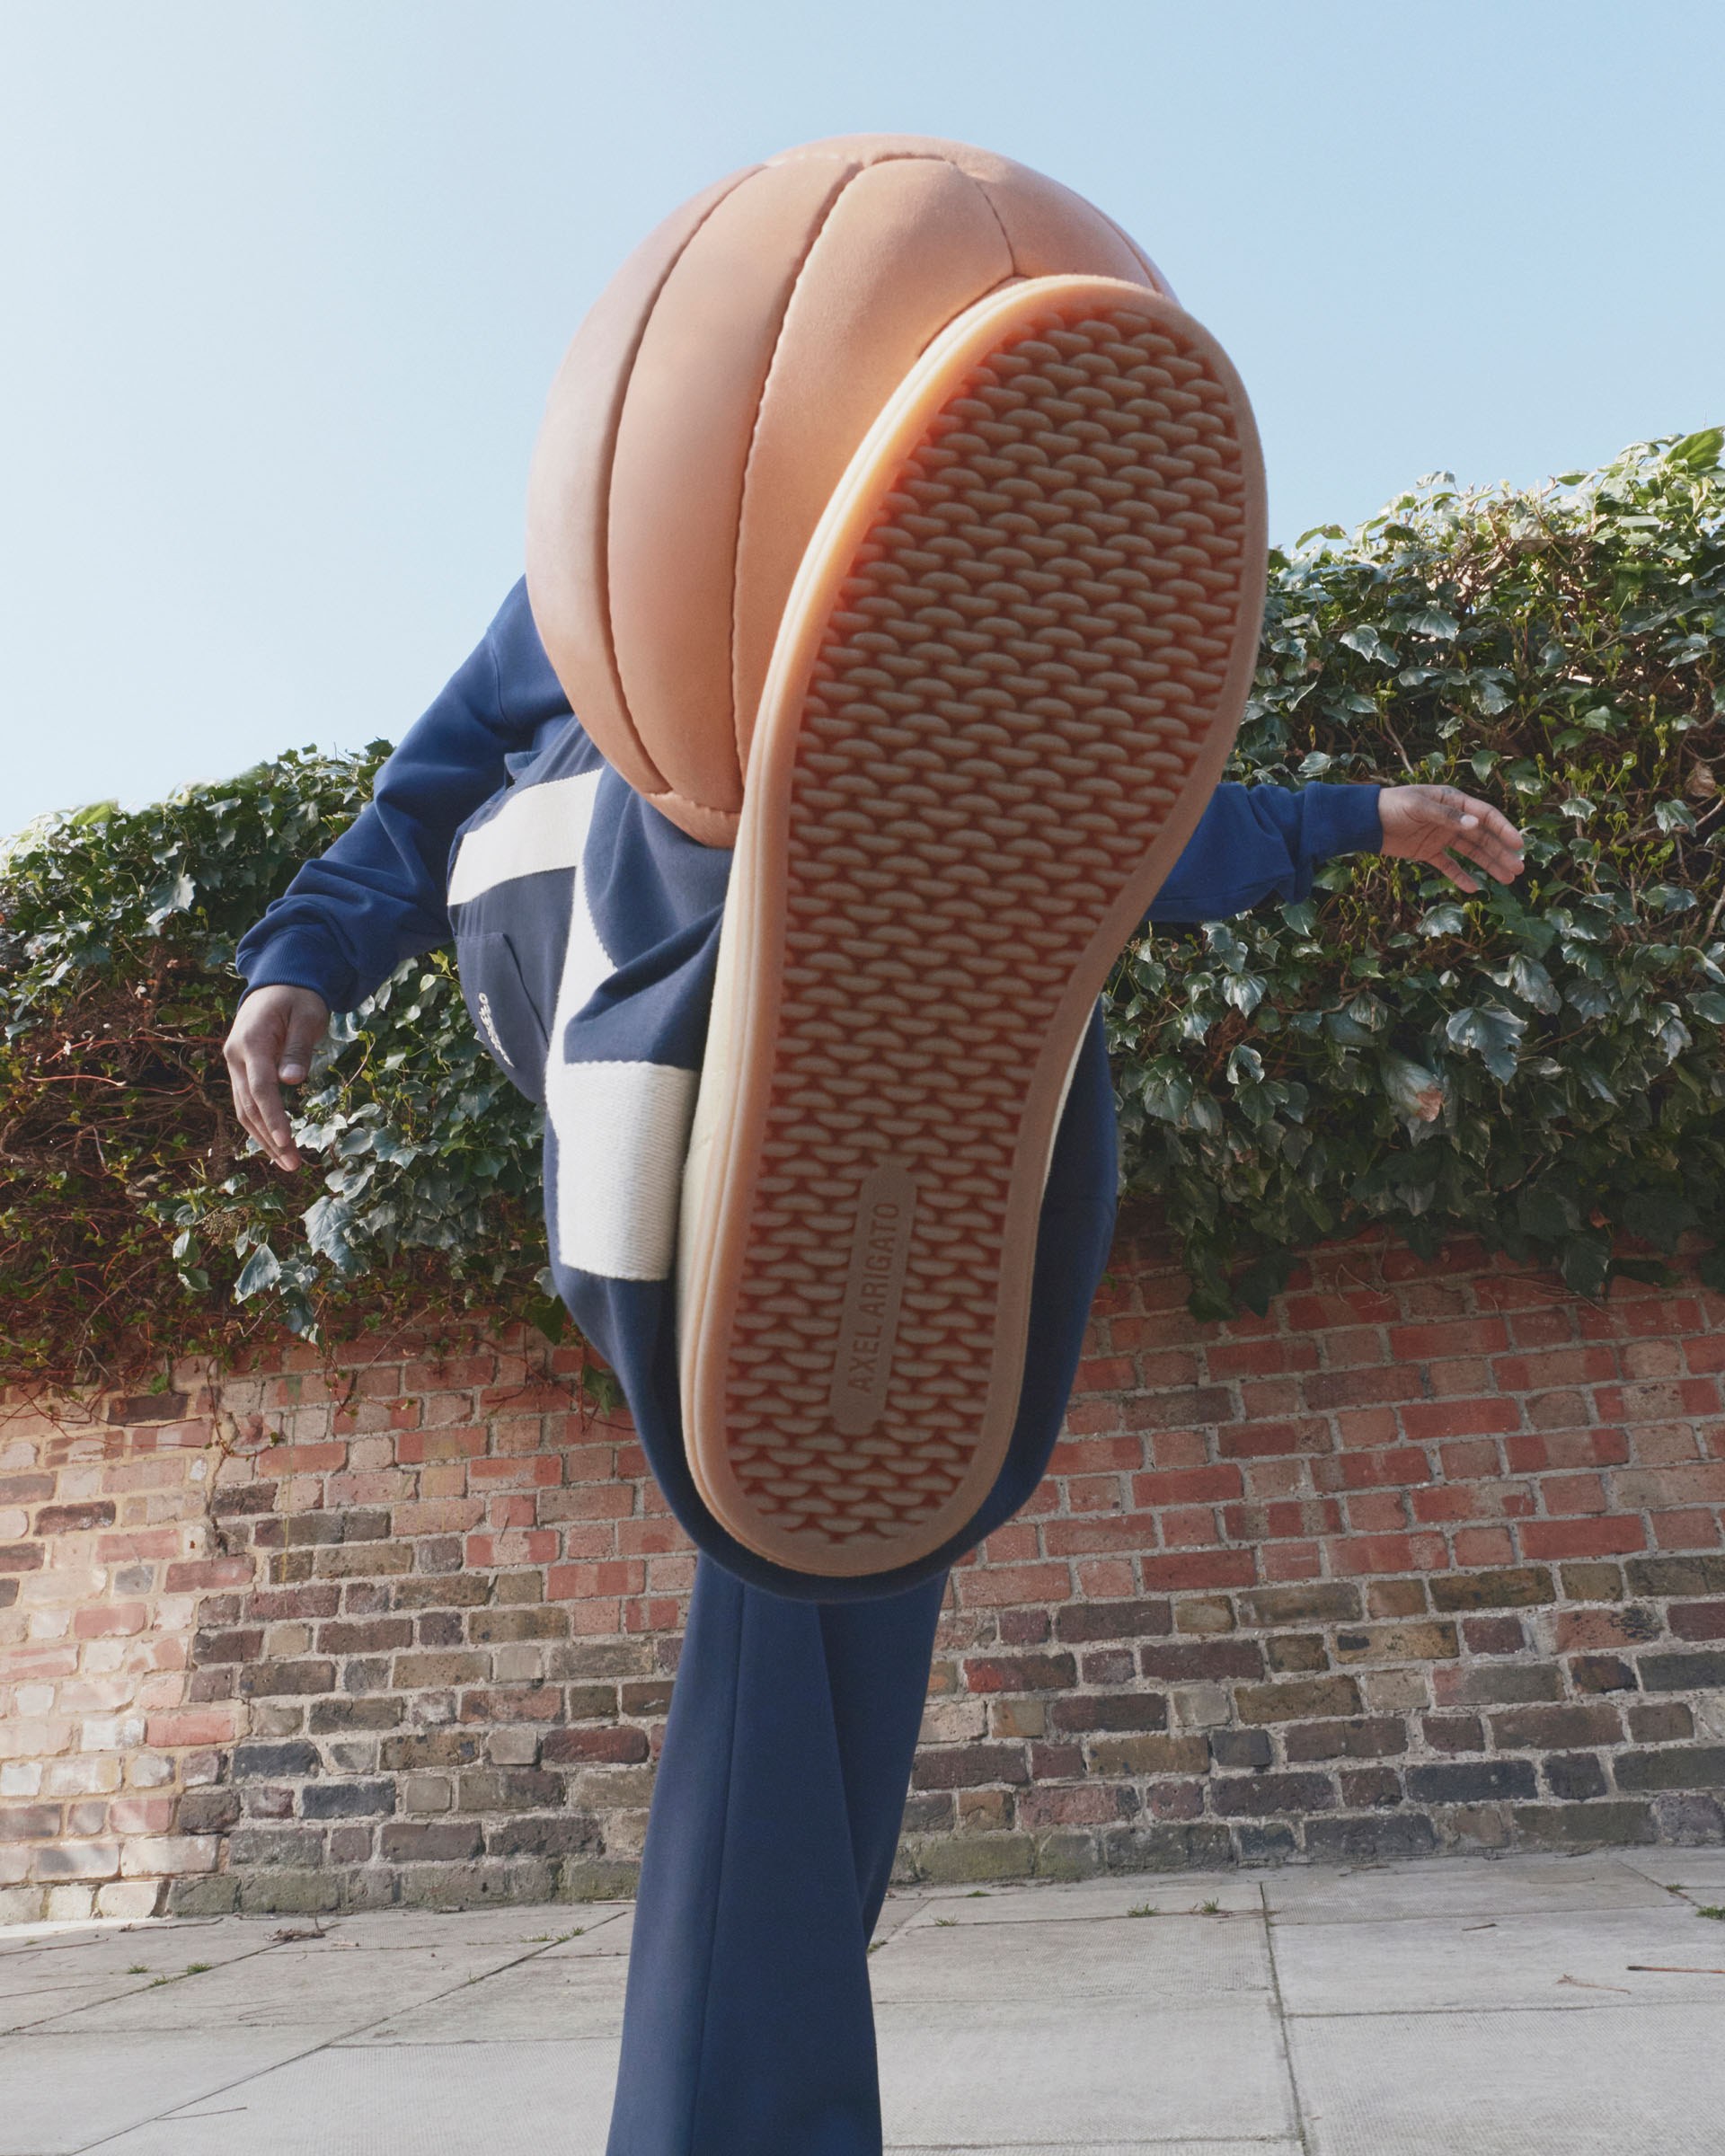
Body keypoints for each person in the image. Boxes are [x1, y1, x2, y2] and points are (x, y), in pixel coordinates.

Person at [226, 577, 1523, 2154]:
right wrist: (304, 954)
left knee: (842, 1535)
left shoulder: (968, 608)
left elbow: (1089, 828)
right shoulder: (625, 513)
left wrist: (1343, 818)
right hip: (601, 882)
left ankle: (742, 2099)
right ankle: (696, 1104)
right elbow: (429, 788)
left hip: (871, 933)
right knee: (756, 795)